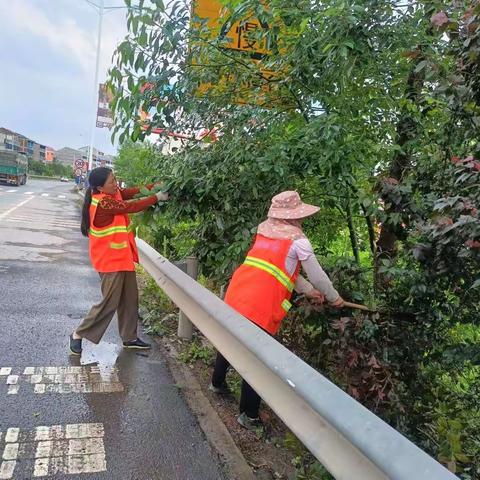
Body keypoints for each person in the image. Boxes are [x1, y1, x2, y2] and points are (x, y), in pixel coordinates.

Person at [210, 191, 344, 430]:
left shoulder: (264, 231)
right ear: (294, 216)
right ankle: (248, 416)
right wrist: (334, 298)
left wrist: (309, 291)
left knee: (229, 339)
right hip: (262, 303)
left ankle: (216, 383)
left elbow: (281, 270)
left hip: (238, 292)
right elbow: (318, 276)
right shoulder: (299, 241)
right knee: (258, 360)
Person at [69, 167, 168, 355]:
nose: (116, 184)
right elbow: (130, 206)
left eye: (115, 179)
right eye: (111, 182)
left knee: (130, 299)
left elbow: (135, 192)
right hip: (109, 261)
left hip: (122, 258)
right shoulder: (103, 203)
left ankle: (129, 337)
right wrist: (157, 197)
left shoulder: (114, 194)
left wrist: (156, 186)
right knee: (109, 303)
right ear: (100, 187)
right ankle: (77, 334)